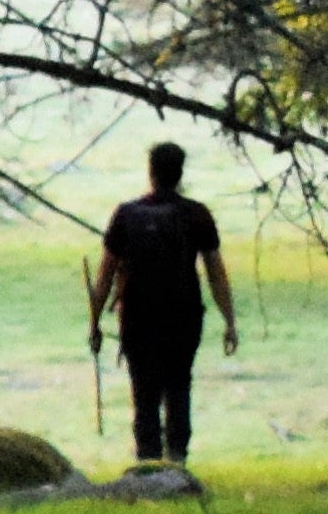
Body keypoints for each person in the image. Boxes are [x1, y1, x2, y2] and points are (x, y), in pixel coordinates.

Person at [90, 140, 235, 467]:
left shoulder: (126, 215)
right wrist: (230, 322)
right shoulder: (196, 214)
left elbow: (105, 276)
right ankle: (177, 461)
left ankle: (148, 462)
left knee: (144, 393)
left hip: (137, 319)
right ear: (180, 173)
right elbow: (216, 274)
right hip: (183, 319)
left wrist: (94, 322)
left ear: (151, 172)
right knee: (178, 386)